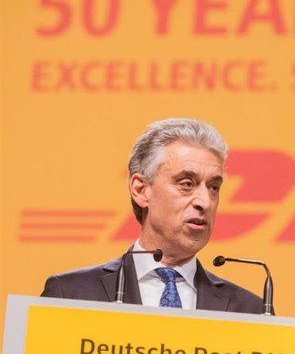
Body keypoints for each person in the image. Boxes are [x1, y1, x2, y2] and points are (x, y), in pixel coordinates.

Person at [41, 118, 264, 313]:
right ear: (141, 189)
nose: (205, 202)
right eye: (187, 184)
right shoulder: (69, 295)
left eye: (214, 187)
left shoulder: (248, 310)